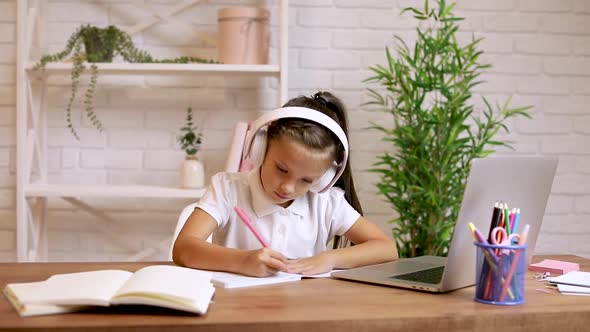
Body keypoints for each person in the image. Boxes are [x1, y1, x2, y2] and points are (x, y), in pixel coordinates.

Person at [173, 91, 397, 277]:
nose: (288, 187)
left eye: (307, 180)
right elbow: (183, 248)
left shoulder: (326, 203)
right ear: (261, 148)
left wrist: (329, 259)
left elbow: (387, 248)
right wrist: (242, 261)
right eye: (281, 169)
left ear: (326, 178)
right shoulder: (227, 189)